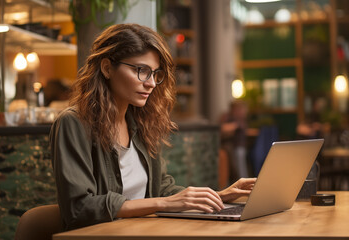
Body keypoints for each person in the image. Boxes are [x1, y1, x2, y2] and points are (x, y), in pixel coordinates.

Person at [49, 23, 256, 231]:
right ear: (106, 68)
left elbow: (161, 189)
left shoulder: (141, 122)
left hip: (146, 232)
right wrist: (162, 204)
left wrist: (219, 195)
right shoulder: (74, 123)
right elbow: (78, 208)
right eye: (141, 71)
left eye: (155, 74)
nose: (150, 83)